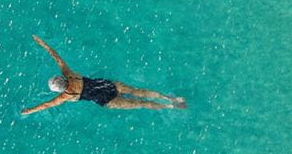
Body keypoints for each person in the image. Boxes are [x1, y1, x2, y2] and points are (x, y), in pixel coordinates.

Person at [21, 35, 186, 115]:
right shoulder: (70, 75)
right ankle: (172, 98)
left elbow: (46, 105)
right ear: (62, 79)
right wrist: (42, 43)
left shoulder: (65, 96)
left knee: (140, 103)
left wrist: (28, 111)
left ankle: (170, 107)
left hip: (105, 100)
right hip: (105, 85)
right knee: (139, 92)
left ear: (59, 89)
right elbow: (56, 57)